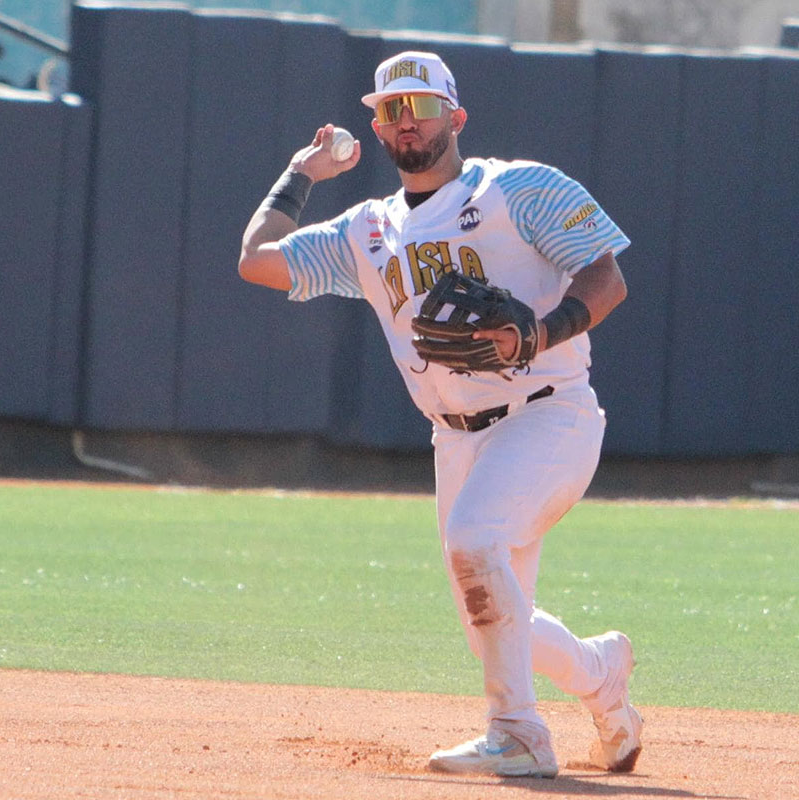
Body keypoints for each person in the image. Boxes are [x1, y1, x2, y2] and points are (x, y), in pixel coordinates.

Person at [238, 51, 641, 779]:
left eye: (419, 106)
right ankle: (600, 674)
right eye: (390, 110)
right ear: (377, 126)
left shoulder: (518, 189)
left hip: (548, 412)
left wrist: (542, 332)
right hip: (454, 438)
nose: (404, 121)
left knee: (475, 541)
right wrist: (303, 172)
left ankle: (517, 733)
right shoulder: (368, 232)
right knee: (485, 618)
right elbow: (258, 260)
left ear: (454, 117)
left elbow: (607, 275)